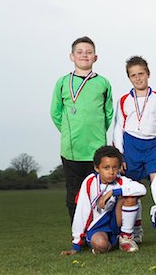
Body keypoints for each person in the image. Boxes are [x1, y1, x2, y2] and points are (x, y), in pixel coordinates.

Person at [50, 36, 114, 223]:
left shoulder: (103, 83)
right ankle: (77, 232)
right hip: (71, 149)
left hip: (96, 149)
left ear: (95, 57)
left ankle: (97, 232)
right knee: (74, 194)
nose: (84, 55)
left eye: (89, 52)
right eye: (80, 52)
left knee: (98, 193)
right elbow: (55, 113)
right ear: (72, 56)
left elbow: (108, 114)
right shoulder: (62, 82)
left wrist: (96, 132)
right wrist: (70, 132)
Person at [113, 55, 156, 243]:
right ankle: (134, 230)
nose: (138, 78)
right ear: (129, 78)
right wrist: (119, 155)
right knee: (132, 191)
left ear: (148, 74)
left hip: (153, 146)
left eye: (141, 74)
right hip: (131, 146)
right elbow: (118, 127)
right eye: (133, 75)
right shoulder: (124, 100)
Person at [60, 146, 147, 255]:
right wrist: (76, 245)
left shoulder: (121, 181)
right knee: (101, 244)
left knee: (130, 195)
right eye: (106, 168)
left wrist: (113, 193)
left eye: (115, 167)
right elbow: (82, 211)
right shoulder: (90, 182)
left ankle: (126, 238)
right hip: (98, 226)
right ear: (97, 168)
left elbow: (142, 189)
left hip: (116, 222)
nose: (111, 172)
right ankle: (110, 244)